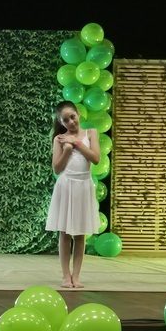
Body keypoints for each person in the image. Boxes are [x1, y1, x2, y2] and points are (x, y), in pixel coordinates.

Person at [45, 101, 100, 289]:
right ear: (61, 122)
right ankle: (65, 276)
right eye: (65, 120)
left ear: (78, 114)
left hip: (84, 186)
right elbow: (57, 168)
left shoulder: (91, 133)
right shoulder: (60, 139)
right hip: (67, 185)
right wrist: (67, 150)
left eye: (72, 117)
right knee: (65, 233)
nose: (71, 122)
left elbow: (96, 158)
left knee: (80, 233)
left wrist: (76, 144)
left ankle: (76, 276)